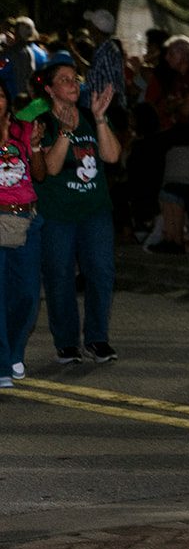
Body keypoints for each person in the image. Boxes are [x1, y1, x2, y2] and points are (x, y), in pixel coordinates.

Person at [34, 63, 120, 364]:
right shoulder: (43, 122)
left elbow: (112, 155)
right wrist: (66, 134)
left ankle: (97, 339)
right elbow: (51, 168)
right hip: (58, 213)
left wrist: (100, 119)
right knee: (60, 276)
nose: (73, 84)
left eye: (75, 79)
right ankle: (67, 342)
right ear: (49, 89)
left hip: (94, 209)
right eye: (64, 80)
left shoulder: (89, 116)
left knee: (101, 272)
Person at [0, 82, 42, 387]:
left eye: (0, 95)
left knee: (27, 294)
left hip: (26, 218)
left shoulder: (23, 131)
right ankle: (2, 364)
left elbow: (39, 174)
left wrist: (36, 146)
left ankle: (14, 350)